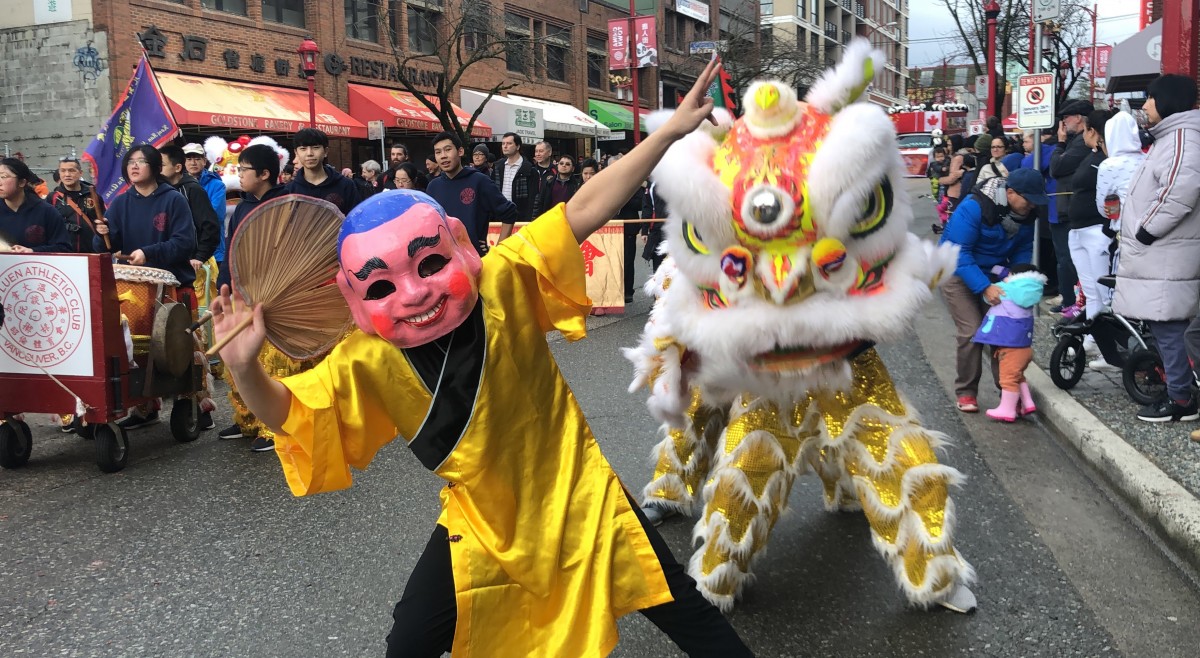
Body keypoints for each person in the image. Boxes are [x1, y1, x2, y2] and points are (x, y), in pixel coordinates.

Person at [208, 58, 753, 657]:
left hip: (573, 486)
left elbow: (585, 207)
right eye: (382, 286)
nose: (413, 293)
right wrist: (244, 368)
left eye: (430, 263)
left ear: (462, 248)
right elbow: (293, 413)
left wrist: (668, 132)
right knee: (410, 640)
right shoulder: (365, 358)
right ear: (352, 300)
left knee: (677, 604)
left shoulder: (504, 280)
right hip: (481, 518)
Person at [1113, 74, 1200, 423]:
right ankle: (1179, 392)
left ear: (1168, 102)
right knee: (1167, 326)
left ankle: (1180, 399)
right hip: (1163, 254)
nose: (1145, 105)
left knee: (1168, 326)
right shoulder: (1173, 138)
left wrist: (1145, 230)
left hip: (1165, 254)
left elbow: (1179, 191)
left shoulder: (1182, 137)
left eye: (1150, 98)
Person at [94, 145, 201, 430]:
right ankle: (144, 406)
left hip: (168, 286)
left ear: (154, 166)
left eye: (141, 161)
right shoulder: (120, 203)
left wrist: (149, 253)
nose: (135, 166)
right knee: (133, 346)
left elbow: (184, 242)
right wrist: (103, 235)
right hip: (130, 288)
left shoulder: (173, 200)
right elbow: (108, 249)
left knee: (174, 347)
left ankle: (193, 404)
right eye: (130, 162)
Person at [939, 168, 1046, 413]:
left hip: (995, 273)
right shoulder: (974, 207)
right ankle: (966, 392)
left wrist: (1017, 278)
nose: (1031, 205)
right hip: (955, 269)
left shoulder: (1026, 215)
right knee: (972, 330)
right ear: (1009, 193)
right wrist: (984, 287)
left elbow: (1022, 248)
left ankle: (1008, 391)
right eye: (1027, 199)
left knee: (1005, 330)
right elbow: (958, 252)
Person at [217, 143, 292, 452]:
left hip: (276, 296)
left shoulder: (288, 204)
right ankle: (246, 419)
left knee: (273, 362)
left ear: (264, 174)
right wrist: (224, 286)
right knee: (236, 360)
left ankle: (273, 427)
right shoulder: (243, 207)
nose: (238, 175)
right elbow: (231, 249)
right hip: (244, 292)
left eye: (243, 169)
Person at [972, 263, 1047, 421]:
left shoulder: (1005, 288)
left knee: (1007, 379)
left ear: (1013, 276)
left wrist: (1000, 275)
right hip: (1023, 347)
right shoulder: (1032, 290)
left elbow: (987, 296)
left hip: (1010, 348)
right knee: (1018, 376)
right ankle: (1027, 403)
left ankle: (1007, 410)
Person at [426, 131, 517, 249]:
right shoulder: (433, 187)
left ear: (460, 151)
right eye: (438, 152)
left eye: (448, 150)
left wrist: (499, 250)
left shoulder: (479, 181)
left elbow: (509, 213)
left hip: (474, 260)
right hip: (444, 260)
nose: (443, 156)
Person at [1064, 109, 1111, 330]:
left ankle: (1107, 337)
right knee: (1090, 289)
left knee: (1103, 290)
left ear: (1092, 131)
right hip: (1078, 229)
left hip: (1096, 229)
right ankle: (1094, 336)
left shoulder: (1107, 159)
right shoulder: (1091, 154)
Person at [1050, 100, 1092, 311]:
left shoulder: (1079, 143)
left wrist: (1060, 143)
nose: (1063, 123)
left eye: (1066, 118)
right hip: (1066, 206)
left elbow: (1056, 167)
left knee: (1070, 259)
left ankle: (1074, 303)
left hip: (1073, 207)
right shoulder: (1076, 141)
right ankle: (1072, 301)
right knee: (1066, 258)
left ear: (1078, 117)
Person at [160, 144, 221, 285]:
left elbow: (210, 225)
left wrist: (200, 256)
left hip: (192, 266)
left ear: (178, 167)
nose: (158, 169)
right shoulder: (160, 191)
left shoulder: (193, 189)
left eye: (162, 165)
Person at [0, 157, 71, 253]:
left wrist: (33, 251)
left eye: (3, 177)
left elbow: (64, 248)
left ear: (22, 182)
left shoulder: (46, 212)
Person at [285, 128, 361, 215]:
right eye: (303, 148)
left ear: (325, 151)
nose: (309, 153)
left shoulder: (346, 185)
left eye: (315, 148)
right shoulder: (289, 190)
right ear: (296, 153)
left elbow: (357, 220)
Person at [48, 156, 103, 253]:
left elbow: (104, 222)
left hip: (91, 253)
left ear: (80, 173)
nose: (67, 174)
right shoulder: (52, 198)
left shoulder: (94, 196)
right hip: (64, 256)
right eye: (63, 171)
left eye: (72, 170)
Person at [490, 132, 539, 223]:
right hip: (499, 215)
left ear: (518, 146)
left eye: (509, 143)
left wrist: (529, 220)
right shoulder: (498, 166)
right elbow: (492, 192)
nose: (505, 146)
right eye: (503, 143)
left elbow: (533, 199)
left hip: (520, 217)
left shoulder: (529, 169)